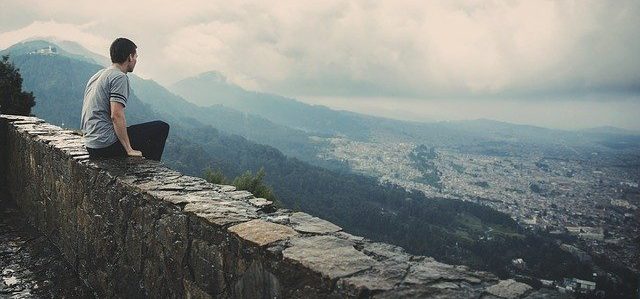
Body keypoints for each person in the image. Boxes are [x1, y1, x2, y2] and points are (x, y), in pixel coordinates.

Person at [80, 38, 169, 161]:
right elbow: (116, 115)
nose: (136, 60)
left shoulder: (99, 75)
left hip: (91, 144)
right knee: (161, 127)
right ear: (130, 57)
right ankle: (151, 171)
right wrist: (129, 149)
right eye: (136, 56)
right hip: (105, 145)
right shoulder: (119, 77)